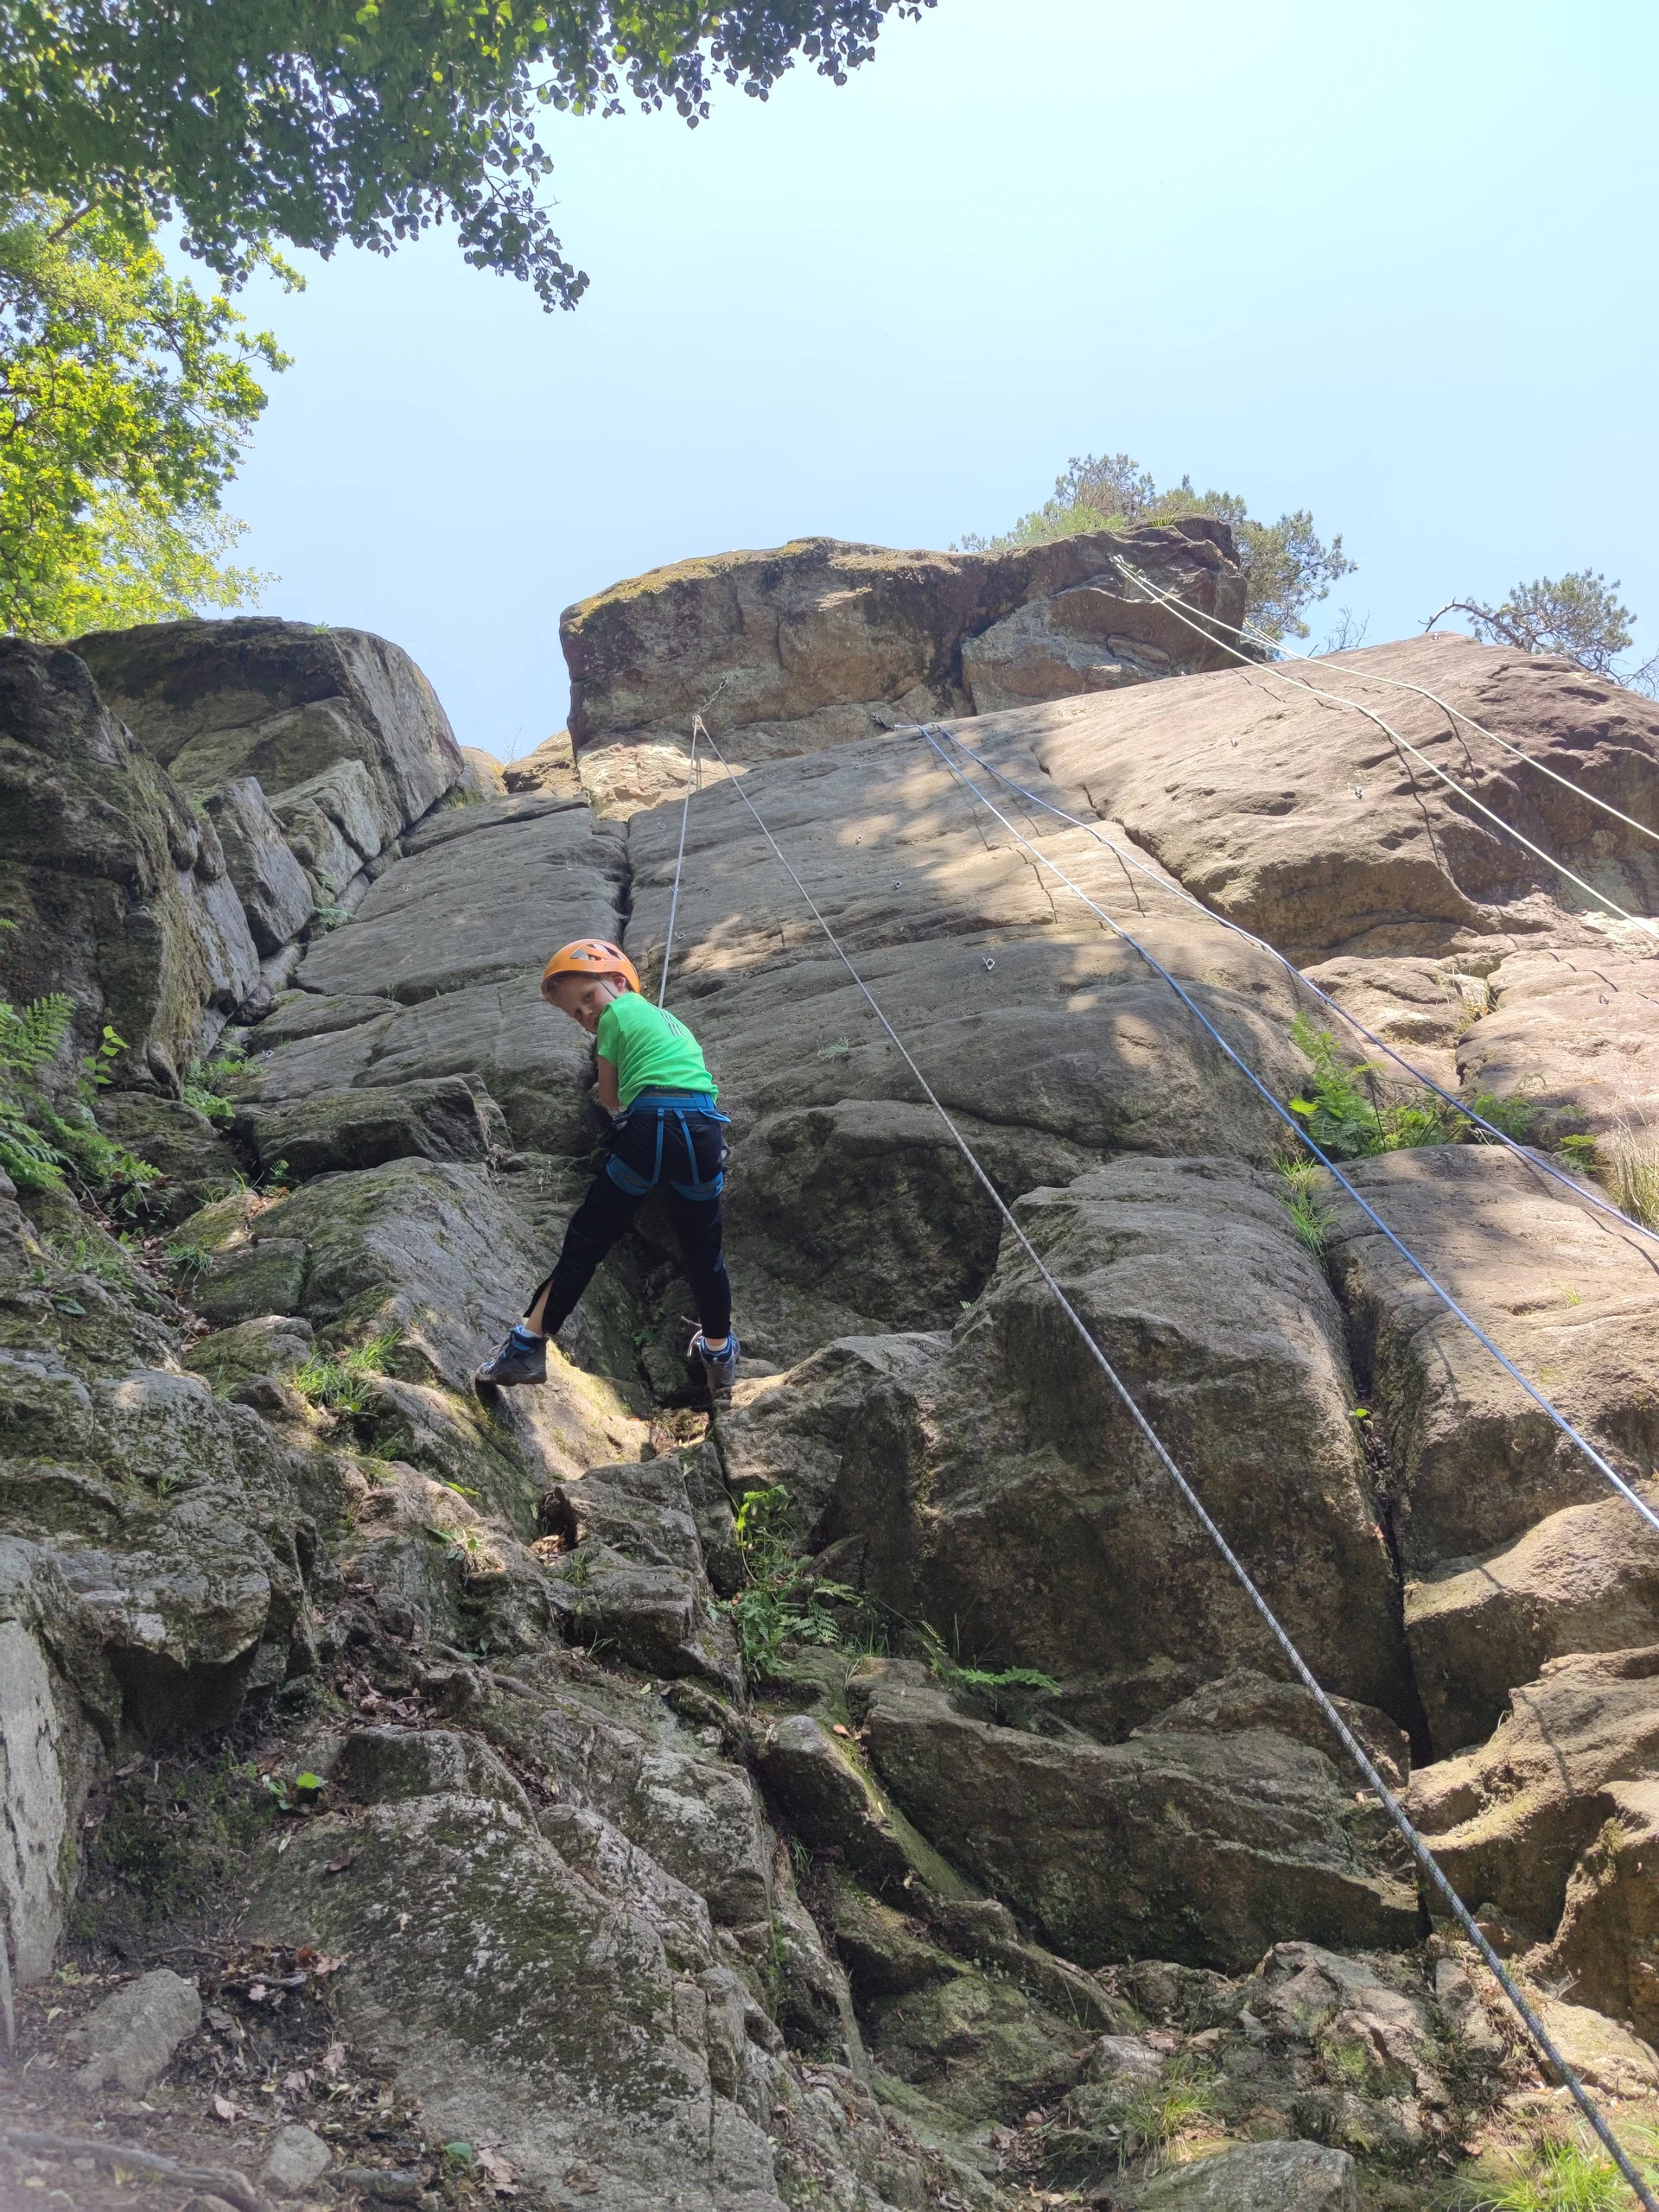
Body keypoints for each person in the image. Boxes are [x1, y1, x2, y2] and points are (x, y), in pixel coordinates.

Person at [475, 938, 739, 1391]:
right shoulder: (674, 1023)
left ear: (619, 981)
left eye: (587, 998)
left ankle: (525, 1347)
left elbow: (611, 1096)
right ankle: (719, 1353)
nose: (586, 1014)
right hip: (703, 1129)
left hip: (650, 1126)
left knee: (589, 1239)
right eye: (576, 1013)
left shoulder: (615, 1016)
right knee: (703, 1251)